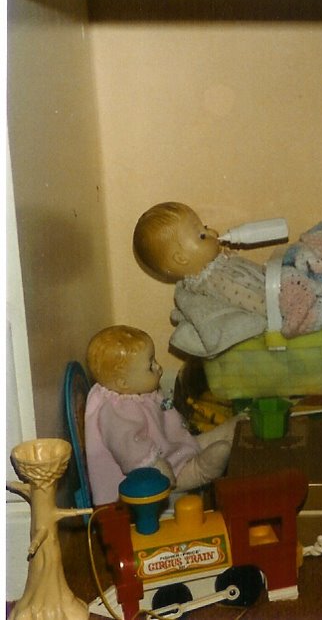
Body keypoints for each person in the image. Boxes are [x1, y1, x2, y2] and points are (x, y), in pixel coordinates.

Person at [84, 325, 243, 504]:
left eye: (155, 360)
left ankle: (207, 441)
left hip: (167, 448)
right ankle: (198, 469)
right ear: (123, 383)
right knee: (211, 458)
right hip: (154, 474)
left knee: (191, 443)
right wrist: (156, 466)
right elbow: (128, 447)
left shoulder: (138, 391)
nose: (158, 367)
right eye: (150, 366)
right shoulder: (116, 410)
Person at [133, 201, 268, 357]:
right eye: (202, 236)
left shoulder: (216, 268)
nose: (213, 232)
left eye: (205, 227)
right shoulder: (214, 280)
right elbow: (250, 299)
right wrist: (277, 311)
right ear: (181, 258)